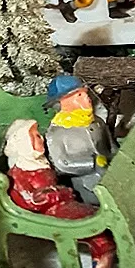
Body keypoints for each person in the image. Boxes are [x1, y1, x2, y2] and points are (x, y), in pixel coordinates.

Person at [4, 118, 115, 268]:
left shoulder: (40, 164)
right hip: (50, 215)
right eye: (35, 136)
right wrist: (60, 193)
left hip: (63, 206)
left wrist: (60, 193)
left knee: (101, 216)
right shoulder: (19, 173)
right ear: (23, 143)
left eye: (38, 135)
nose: (41, 139)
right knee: (96, 226)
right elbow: (30, 202)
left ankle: (108, 256)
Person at [44, 74, 114, 205]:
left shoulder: (97, 122)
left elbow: (112, 146)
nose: (87, 98)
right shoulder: (57, 133)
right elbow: (62, 163)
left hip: (113, 175)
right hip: (88, 184)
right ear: (62, 103)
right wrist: (92, 163)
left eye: (86, 94)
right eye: (79, 96)